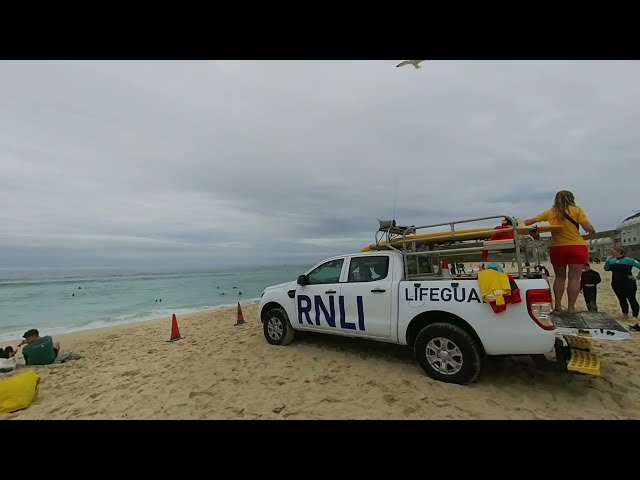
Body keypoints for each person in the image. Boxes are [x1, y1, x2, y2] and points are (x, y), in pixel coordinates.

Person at [524, 190, 596, 313]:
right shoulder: (577, 210)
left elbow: (529, 222)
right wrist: (591, 230)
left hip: (558, 248)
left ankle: (557, 306)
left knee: (560, 277)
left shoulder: (551, 212)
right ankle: (571, 308)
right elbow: (587, 227)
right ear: (571, 198)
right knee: (574, 278)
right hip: (576, 247)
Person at [604, 247, 640, 331]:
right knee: (621, 298)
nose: (611, 253)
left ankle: (635, 315)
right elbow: (606, 269)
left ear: (619, 252)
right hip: (616, 283)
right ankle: (625, 313)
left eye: (613, 251)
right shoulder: (611, 260)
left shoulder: (629, 260)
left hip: (628, 282)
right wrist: (607, 261)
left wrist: (637, 277)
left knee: (631, 298)